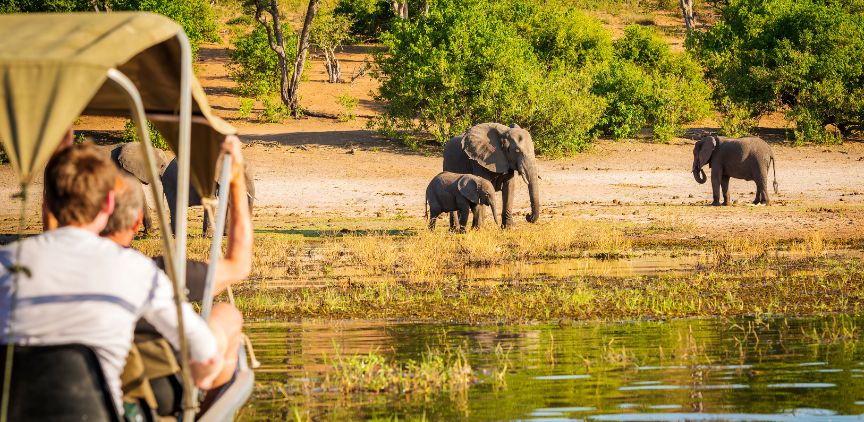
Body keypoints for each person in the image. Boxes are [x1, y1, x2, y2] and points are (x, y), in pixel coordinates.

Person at [0, 143, 229, 414]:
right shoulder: (135, 269)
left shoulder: (5, 263)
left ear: (46, 203)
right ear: (109, 203)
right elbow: (205, 352)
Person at [102, 136, 252, 416]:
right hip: (143, 400)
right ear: (137, 221)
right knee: (227, 315)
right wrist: (237, 180)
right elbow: (239, 265)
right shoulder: (150, 275)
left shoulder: (13, 268)